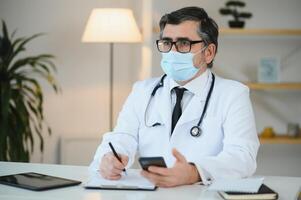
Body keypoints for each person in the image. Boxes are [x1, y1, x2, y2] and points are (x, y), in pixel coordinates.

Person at [90, 6, 259, 188]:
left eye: (184, 43)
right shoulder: (142, 91)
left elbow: (243, 156)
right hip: (152, 193)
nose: (172, 51)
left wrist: (195, 172)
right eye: (167, 43)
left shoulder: (233, 94)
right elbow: (122, 138)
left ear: (208, 52)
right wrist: (109, 159)